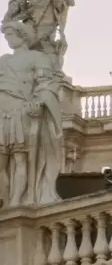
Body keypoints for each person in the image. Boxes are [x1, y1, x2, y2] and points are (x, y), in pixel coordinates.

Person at [0, 22, 63, 207]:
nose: (8, 39)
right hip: (1, 113)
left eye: (11, 34)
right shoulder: (3, 60)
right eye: (6, 35)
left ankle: (16, 201)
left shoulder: (38, 58)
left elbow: (47, 84)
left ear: (22, 35)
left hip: (20, 111)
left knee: (20, 158)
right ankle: (5, 199)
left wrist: (39, 102)